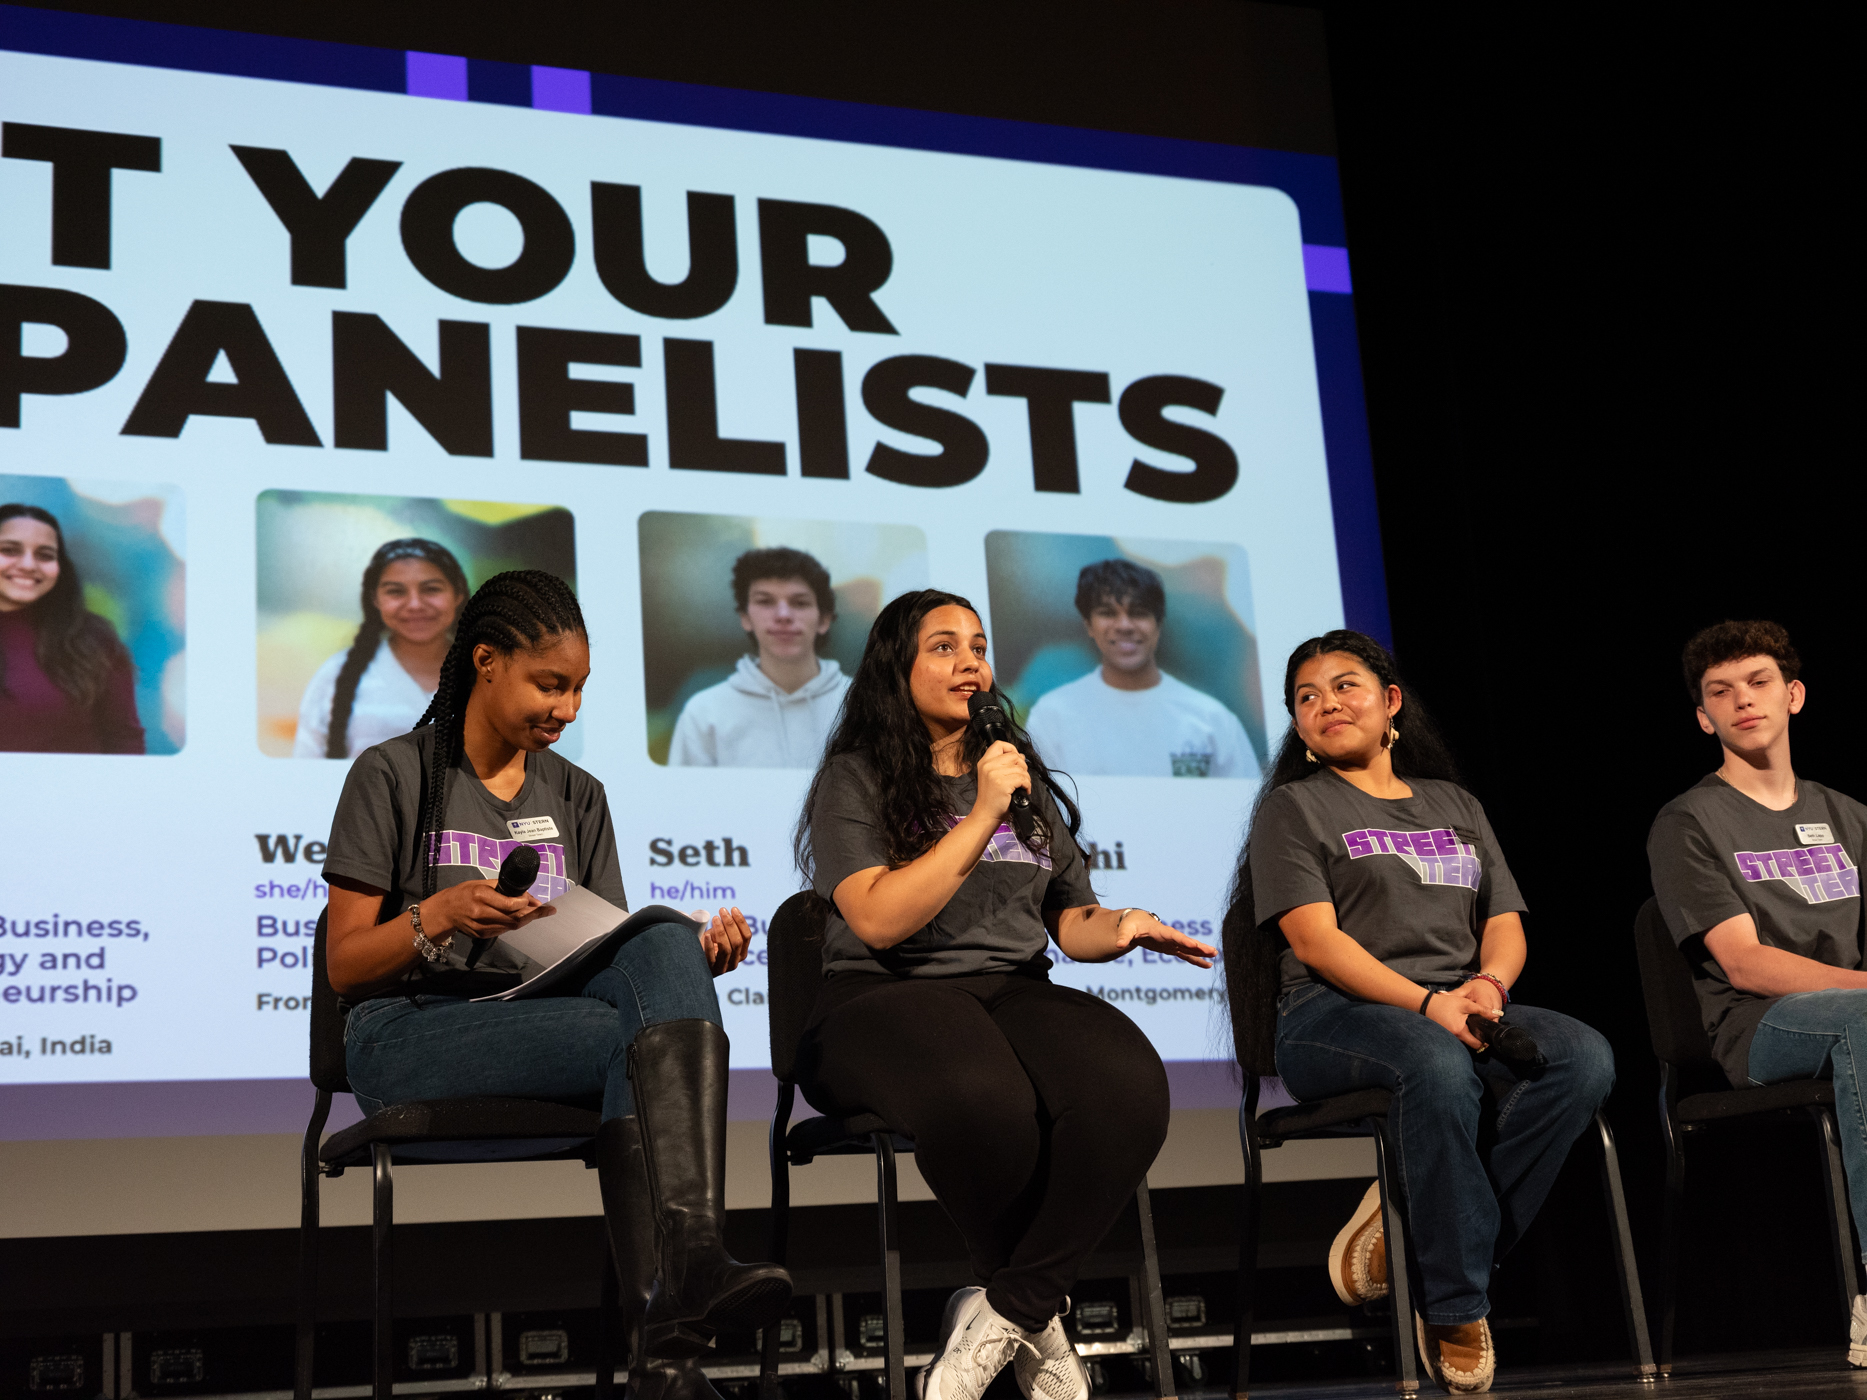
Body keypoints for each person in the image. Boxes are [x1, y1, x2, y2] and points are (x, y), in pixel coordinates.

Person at [320, 569, 790, 1400]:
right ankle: (680, 1307)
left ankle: (671, 1343)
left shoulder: (578, 792)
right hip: (406, 1033)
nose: (566, 709)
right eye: (550, 684)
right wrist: (439, 913)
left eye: (577, 689)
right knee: (653, 1045)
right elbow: (346, 964)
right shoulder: (391, 773)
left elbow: (610, 953)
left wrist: (693, 961)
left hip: (540, 1016)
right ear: (487, 661)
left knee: (659, 952)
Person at [794, 588, 1216, 1400]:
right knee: (982, 1095)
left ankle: (1009, 1306)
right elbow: (877, 920)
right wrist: (980, 811)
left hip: (1010, 985)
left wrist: (1122, 923)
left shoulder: (1020, 782)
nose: (970, 664)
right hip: (878, 996)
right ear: (896, 668)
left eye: (979, 647)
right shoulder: (858, 779)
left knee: (1124, 1088)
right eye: (944, 647)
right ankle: (1038, 1322)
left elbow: (1068, 918)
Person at [1224, 629, 1613, 1395]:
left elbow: (1502, 922)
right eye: (1305, 698)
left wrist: (1490, 989)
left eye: (1344, 687)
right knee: (1432, 1064)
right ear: (1296, 727)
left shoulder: (1453, 803)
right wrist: (1430, 1004)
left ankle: (1410, 1227)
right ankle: (1454, 1302)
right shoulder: (1292, 811)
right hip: (1330, 1015)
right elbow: (1317, 942)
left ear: (1390, 702)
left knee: (1583, 1058)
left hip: (1460, 1002)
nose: (1326, 704)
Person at [1646, 619, 1867, 1368]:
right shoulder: (1689, 822)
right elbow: (1743, 964)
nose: (1742, 700)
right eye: (1720, 692)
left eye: (1758, 681)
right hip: (1760, 1028)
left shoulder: (1845, 815)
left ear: (1792, 695)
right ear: (1703, 718)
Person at [1022, 558, 1258, 779]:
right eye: (1107, 613)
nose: (1124, 625)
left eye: (1139, 613)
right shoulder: (1052, 715)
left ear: (1159, 623)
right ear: (1088, 625)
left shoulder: (1212, 719)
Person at [669, 546, 852, 768]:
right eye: (765, 601)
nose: (783, 615)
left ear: (824, 620)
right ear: (745, 617)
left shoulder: (865, 706)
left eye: (800, 602)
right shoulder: (704, 712)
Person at [294, 538, 469, 759]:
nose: (415, 604)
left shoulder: (492, 672)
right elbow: (305, 771)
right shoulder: (336, 674)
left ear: (458, 594)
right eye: (396, 592)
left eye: (431, 589)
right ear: (375, 599)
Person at [0, 502, 144, 754]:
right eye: (10, 550)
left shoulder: (94, 637)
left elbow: (125, 740)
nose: (28, 565)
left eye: (45, 555)